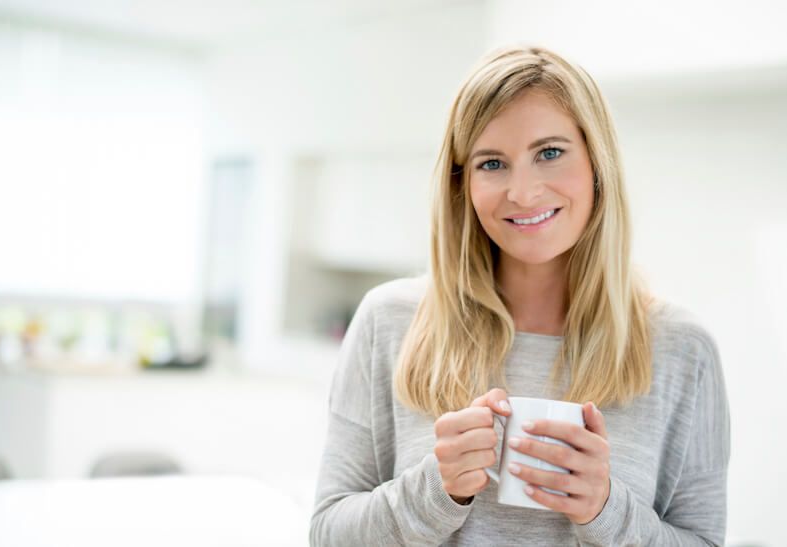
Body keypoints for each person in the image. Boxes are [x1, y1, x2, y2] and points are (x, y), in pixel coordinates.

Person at [309, 45, 730, 546]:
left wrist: (606, 510)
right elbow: (328, 535)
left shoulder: (682, 349)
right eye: (492, 163)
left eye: (549, 153)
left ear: (597, 162)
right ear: (462, 183)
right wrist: (432, 491)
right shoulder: (389, 321)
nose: (524, 193)